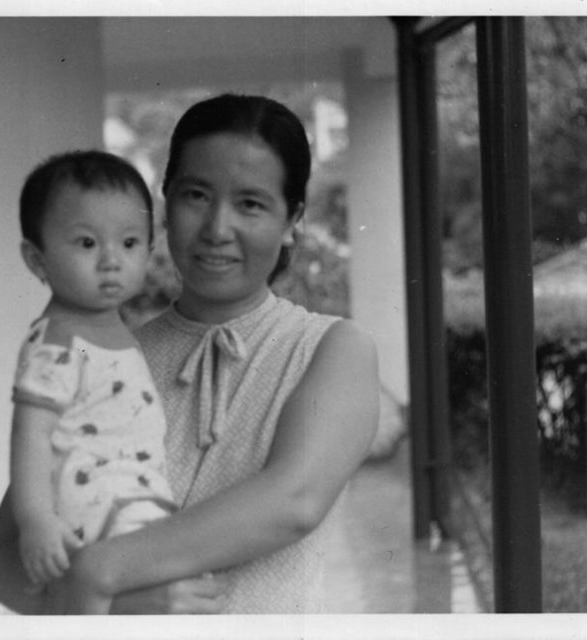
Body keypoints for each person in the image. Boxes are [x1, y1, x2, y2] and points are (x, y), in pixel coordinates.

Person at [60, 93, 381, 614]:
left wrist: (98, 573)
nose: (216, 229)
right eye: (196, 195)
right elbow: (4, 559)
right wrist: (118, 606)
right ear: (164, 202)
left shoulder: (331, 349)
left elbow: (293, 500)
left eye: (250, 204)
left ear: (293, 219)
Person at [8, 150, 178, 613]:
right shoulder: (63, 342)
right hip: (94, 511)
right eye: (86, 244)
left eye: (128, 243)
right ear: (37, 259)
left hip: (127, 507)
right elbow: (32, 433)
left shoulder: (102, 330)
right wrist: (35, 519)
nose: (110, 261)